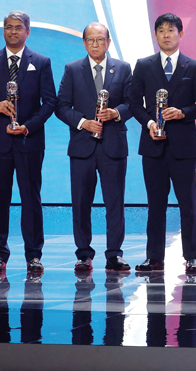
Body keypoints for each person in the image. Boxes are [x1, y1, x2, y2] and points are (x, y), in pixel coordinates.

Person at [0, 11, 57, 274]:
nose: (13, 31)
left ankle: (34, 256)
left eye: (18, 27)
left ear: (27, 32)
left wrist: (28, 126)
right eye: (8, 27)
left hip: (29, 141)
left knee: (31, 198)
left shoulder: (41, 62)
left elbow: (49, 102)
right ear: (3, 31)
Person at [129, 13, 196, 273]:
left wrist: (183, 112)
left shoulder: (194, 67)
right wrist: (149, 123)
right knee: (156, 205)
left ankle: (192, 256)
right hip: (153, 145)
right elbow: (134, 103)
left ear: (180, 34)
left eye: (171, 30)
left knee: (188, 203)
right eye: (161, 30)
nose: (166, 35)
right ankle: (154, 257)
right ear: (155, 35)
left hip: (183, 147)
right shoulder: (144, 65)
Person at [55, 22, 133, 273]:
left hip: (113, 146)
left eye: (100, 39)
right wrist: (83, 123)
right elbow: (61, 106)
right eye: (90, 40)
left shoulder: (123, 68)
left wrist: (116, 113)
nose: (95, 44)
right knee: (81, 203)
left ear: (108, 42)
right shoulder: (72, 69)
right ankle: (83, 254)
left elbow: (132, 102)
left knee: (115, 203)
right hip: (82, 147)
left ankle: (114, 254)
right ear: (84, 43)